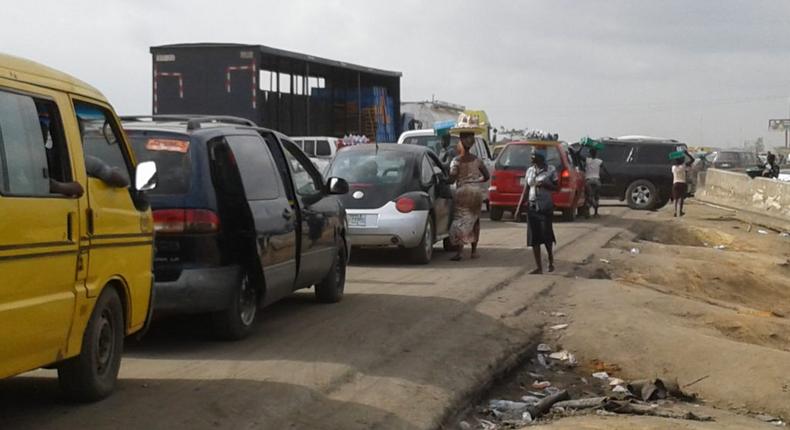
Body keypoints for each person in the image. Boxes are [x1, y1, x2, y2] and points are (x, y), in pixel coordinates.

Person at [448, 131, 490, 261]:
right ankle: (473, 251)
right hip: (476, 193)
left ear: (460, 141)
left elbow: (452, 178)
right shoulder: (477, 160)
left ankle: (460, 252)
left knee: (460, 221)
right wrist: (475, 182)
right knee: (475, 221)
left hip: (462, 193)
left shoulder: (456, 161)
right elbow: (487, 176)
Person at [518, 149, 558, 274]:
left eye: (534, 155)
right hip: (532, 206)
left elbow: (557, 187)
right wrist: (519, 207)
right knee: (534, 238)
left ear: (541, 157)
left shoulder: (550, 170)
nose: (531, 157)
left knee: (546, 235)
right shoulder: (530, 171)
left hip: (545, 207)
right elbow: (526, 189)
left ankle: (550, 260)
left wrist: (545, 185)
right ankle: (538, 267)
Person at [670, 151, 694, 217]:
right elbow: (692, 160)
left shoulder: (673, 168)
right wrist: (686, 153)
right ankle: (680, 211)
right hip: (682, 183)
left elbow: (672, 161)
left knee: (675, 198)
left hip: (675, 183)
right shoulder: (683, 166)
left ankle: (675, 211)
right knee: (681, 198)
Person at [584, 148, 603, 217]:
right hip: (596, 181)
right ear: (596, 154)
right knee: (596, 197)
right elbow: (604, 169)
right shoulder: (599, 161)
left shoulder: (587, 160)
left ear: (590, 153)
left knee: (588, 197)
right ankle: (595, 213)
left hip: (588, 181)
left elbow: (577, 155)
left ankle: (587, 213)